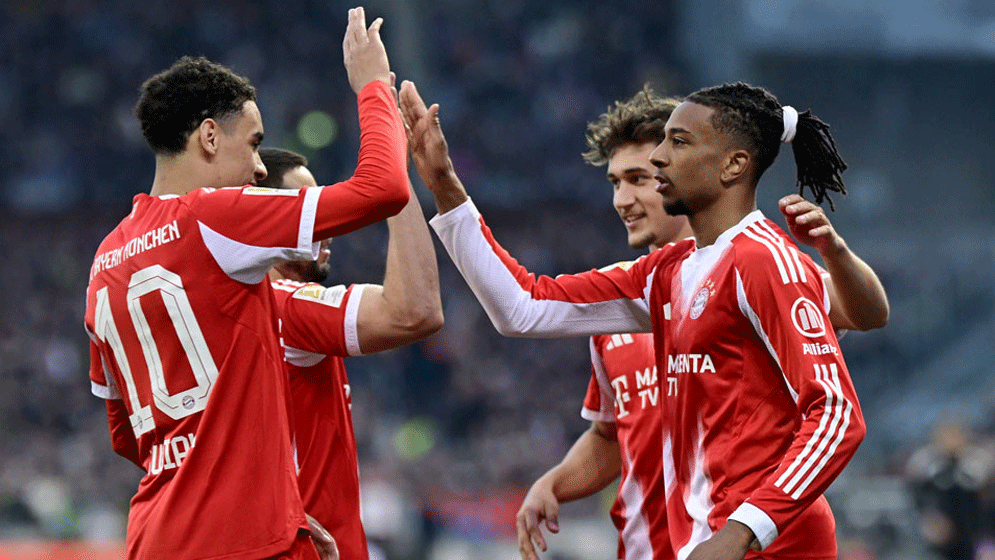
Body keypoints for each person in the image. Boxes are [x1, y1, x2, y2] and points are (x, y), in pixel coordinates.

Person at [400, 79, 867, 560]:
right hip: (700, 542)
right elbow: (522, 308)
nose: (660, 157)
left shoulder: (767, 262)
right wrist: (444, 184)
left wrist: (743, 529)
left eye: (677, 143)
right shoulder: (666, 273)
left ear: (733, 165)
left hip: (768, 547)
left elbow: (837, 414)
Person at [84, 8, 408, 559]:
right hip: (245, 543)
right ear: (209, 136)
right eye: (255, 143)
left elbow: (126, 435)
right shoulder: (215, 218)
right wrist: (373, 86)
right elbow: (383, 189)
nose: (260, 169)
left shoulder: (104, 261)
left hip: (155, 537)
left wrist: (265, 494)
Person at [258, 147, 444, 560]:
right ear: (265, 219)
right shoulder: (282, 306)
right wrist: (397, 181)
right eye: (307, 212)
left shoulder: (239, 310)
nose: (324, 226)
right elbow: (416, 311)